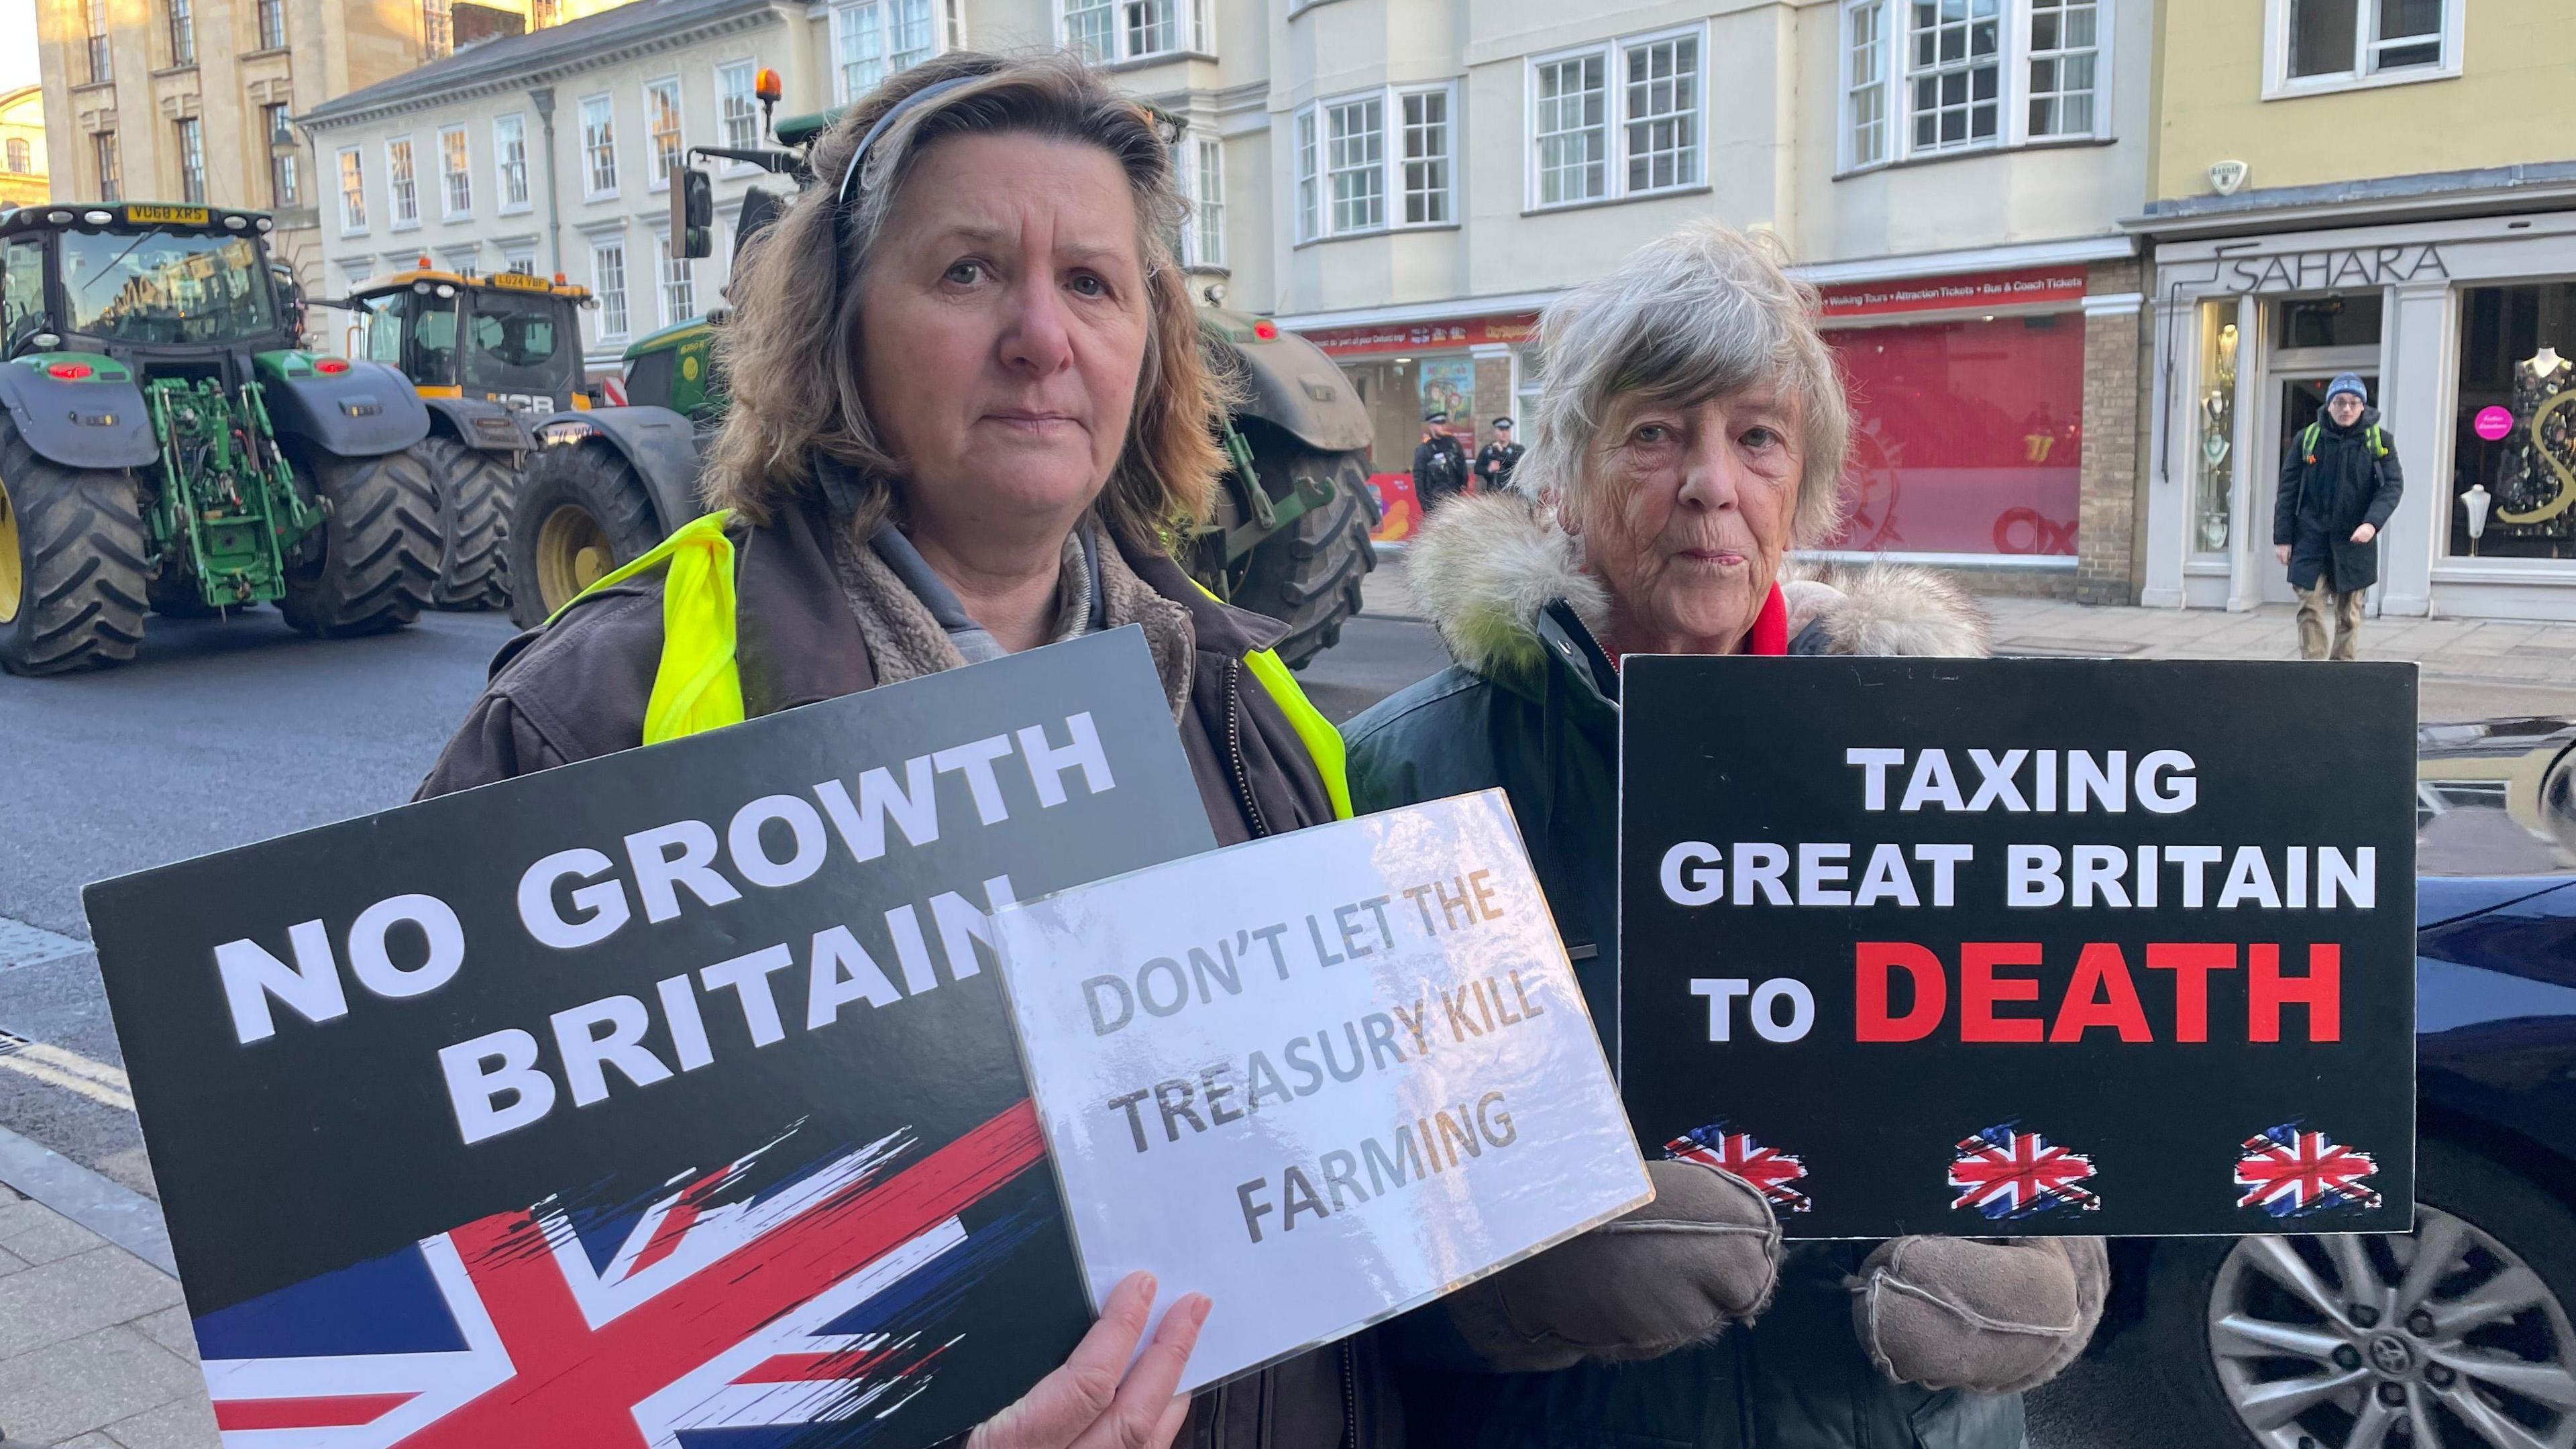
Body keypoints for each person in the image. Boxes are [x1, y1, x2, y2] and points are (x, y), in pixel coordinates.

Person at [417, 51, 1395, 1449]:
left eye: (1095, 286)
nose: (1042, 339)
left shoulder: (1249, 699)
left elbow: (1349, 1199)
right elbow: (465, 1339)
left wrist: (1548, 1246)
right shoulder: (598, 711)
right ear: (839, 330)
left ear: (1151, 347)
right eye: (967, 274)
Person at [1342, 221, 2106, 1449]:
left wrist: (2062, 1271)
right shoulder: (1417, 770)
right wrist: (1515, 1295)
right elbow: (1339, 1209)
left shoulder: (1938, 758)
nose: (1712, 483)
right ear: (1566, 481)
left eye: (1757, 438)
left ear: (1800, 491)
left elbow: (2053, 1077)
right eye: (1654, 434)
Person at [2274, 372, 2404, 661]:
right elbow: (2288, 491)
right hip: (2311, 539)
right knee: (2310, 606)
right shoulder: (2308, 439)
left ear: (2363, 407)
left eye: (2354, 403)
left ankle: (2342, 673)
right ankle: (2315, 671)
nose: (2346, 409)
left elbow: (2392, 486)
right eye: (2340, 402)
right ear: (2329, 405)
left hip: (2354, 541)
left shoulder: (2379, 442)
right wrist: (2283, 539)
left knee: (2349, 615)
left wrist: (2371, 523)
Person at [1411, 410, 1466, 509]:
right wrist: (1424, 502)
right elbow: (1419, 477)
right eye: (1439, 423)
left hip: (1454, 495)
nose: (1442, 426)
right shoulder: (1425, 449)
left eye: (1443, 423)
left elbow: (1462, 464)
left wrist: (1463, 483)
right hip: (1435, 498)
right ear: (1431, 426)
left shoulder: (1452, 443)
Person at [1474, 416, 1523, 490]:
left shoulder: (1517, 449)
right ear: (1495, 431)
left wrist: (1503, 453)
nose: (1504, 433)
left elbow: (1519, 468)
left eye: (1507, 430)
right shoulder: (1488, 449)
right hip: (1493, 492)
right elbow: (1477, 469)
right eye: (1501, 430)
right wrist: (1489, 469)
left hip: (1512, 492)